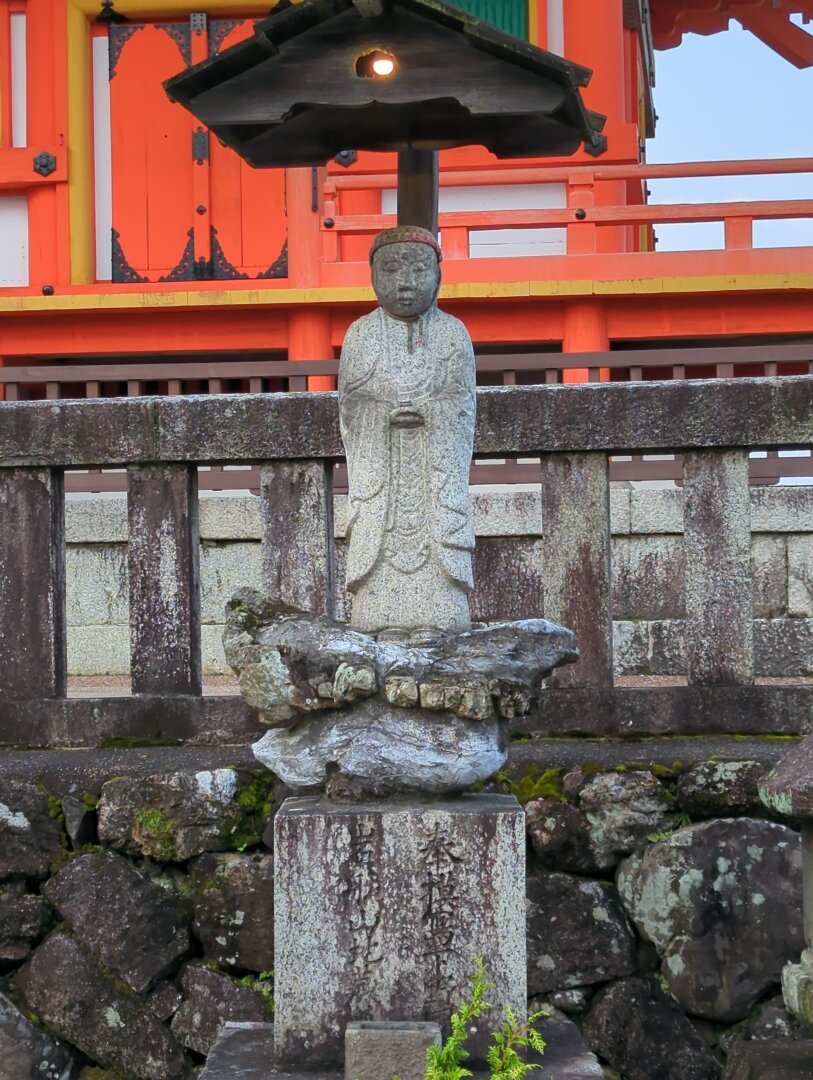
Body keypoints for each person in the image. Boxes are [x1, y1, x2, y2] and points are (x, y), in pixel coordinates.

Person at [338, 225, 476, 641]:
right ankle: (381, 616)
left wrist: (431, 412)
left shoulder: (454, 332)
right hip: (383, 473)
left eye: (418, 270)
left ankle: (439, 616)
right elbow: (351, 403)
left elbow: (462, 402)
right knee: (379, 533)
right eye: (392, 270)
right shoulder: (360, 333)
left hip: (433, 471)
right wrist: (382, 414)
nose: (405, 283)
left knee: (437, 533)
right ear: (373, 276)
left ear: (439, 275)